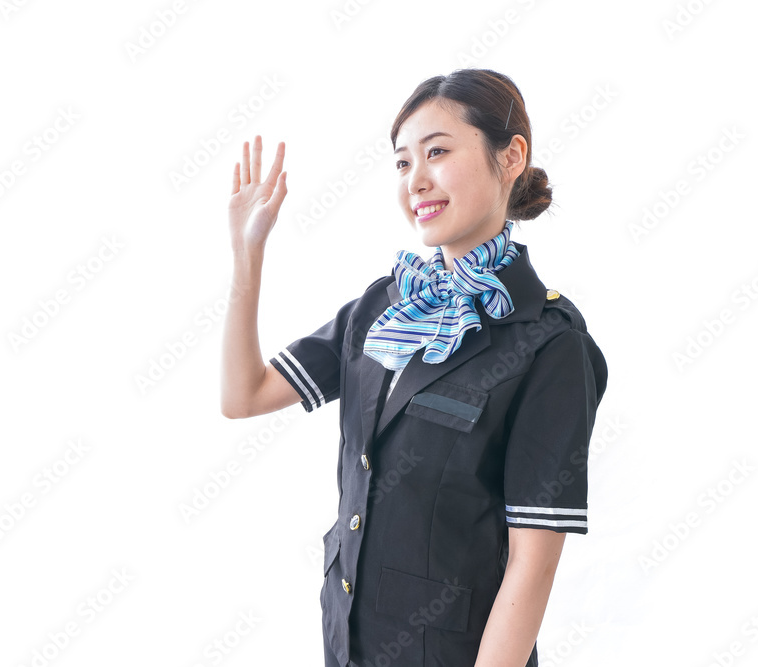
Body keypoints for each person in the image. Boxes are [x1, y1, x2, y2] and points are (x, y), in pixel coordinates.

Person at [221, 68, 608, 667]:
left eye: (438, 152)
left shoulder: (549, 344)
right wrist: (247, 253)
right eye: (402, 163)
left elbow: (531, 567)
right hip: (347, 644)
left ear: (511, 157)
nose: (416, 180)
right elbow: (243, 396)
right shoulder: (385, 307)